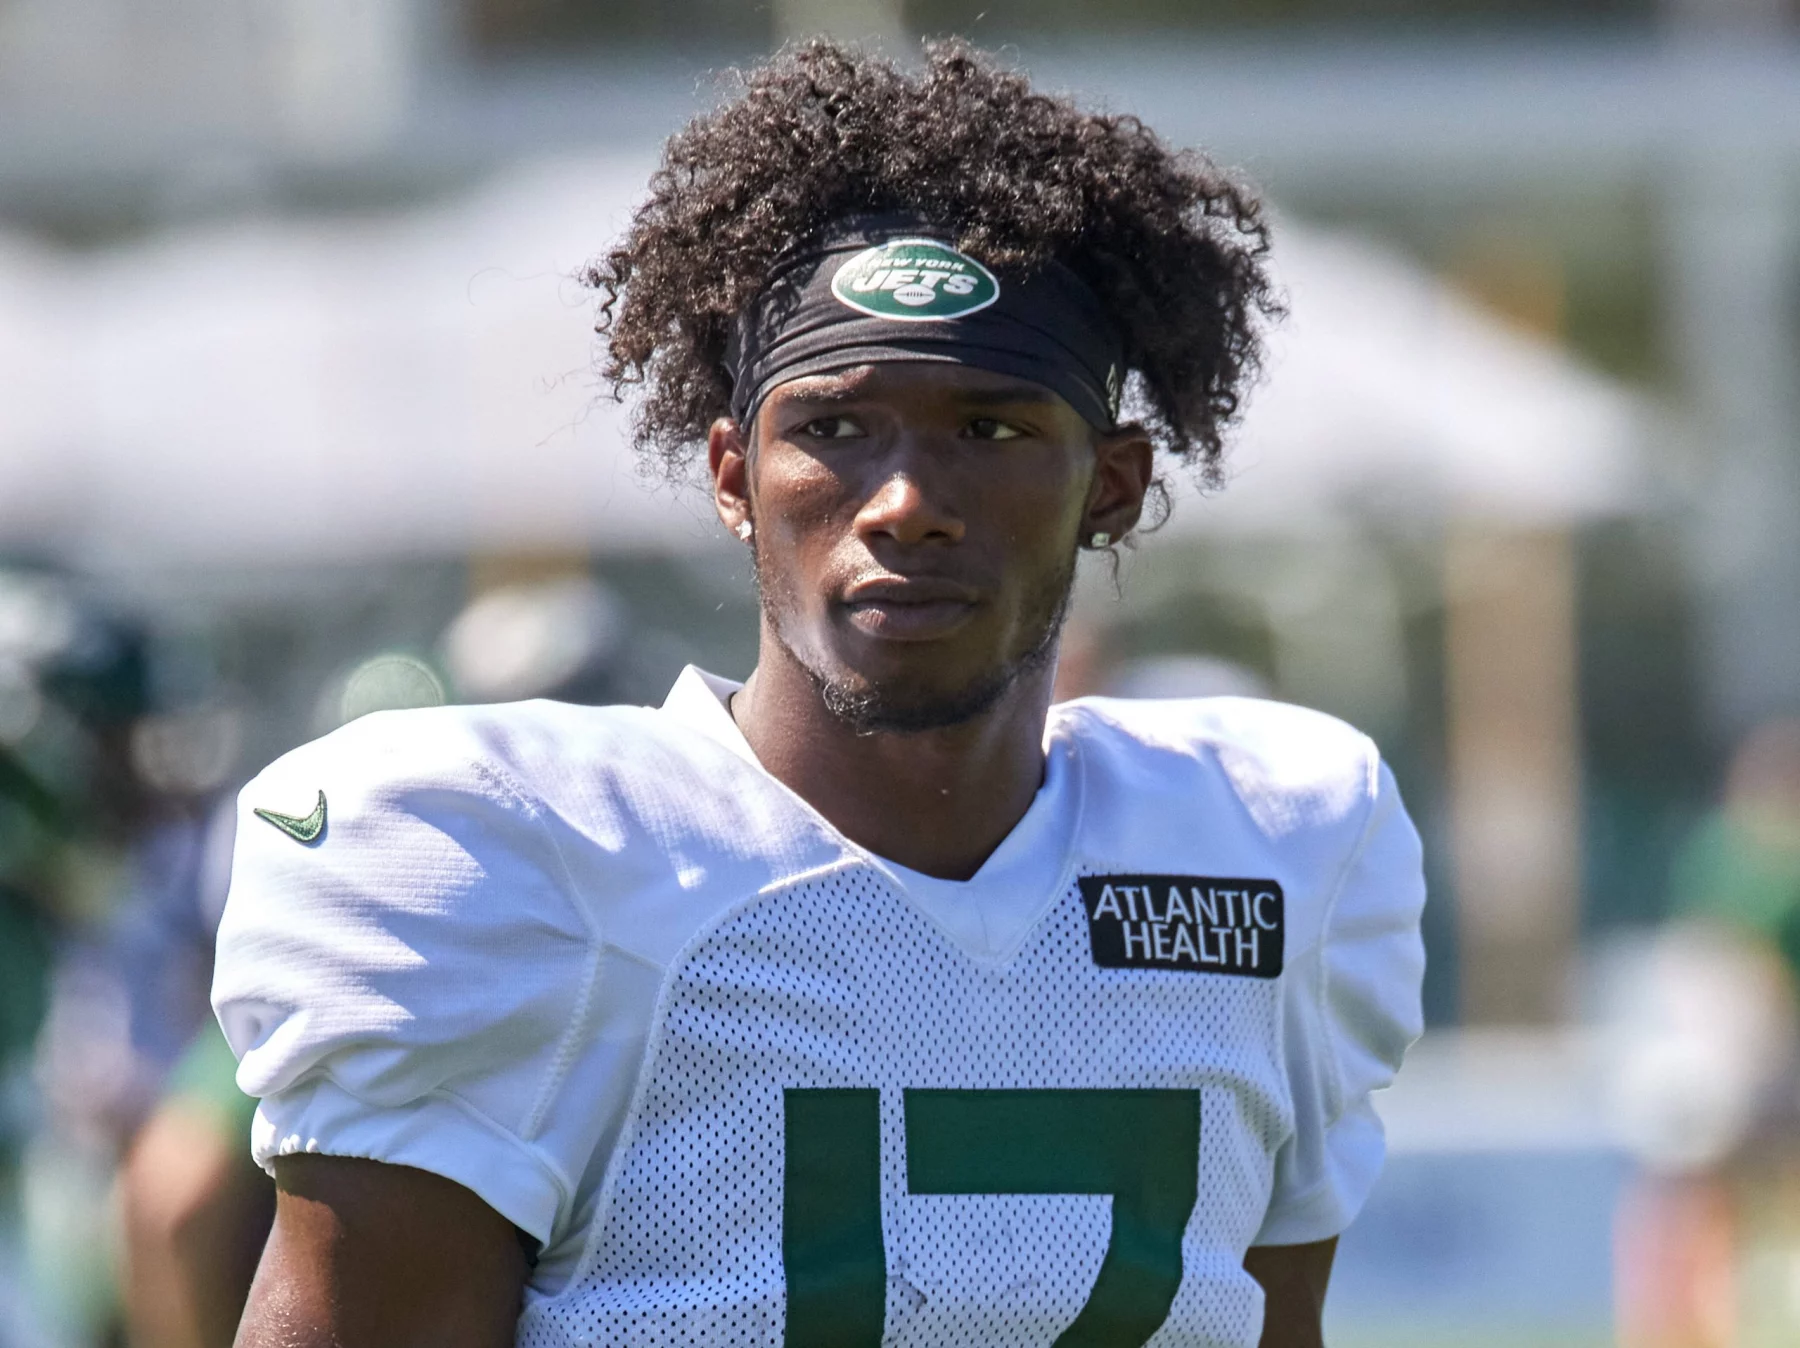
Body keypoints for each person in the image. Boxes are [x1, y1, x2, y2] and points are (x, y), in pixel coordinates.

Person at [213, 40, 1427, 1348]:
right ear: (735, 477)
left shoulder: (1273, 844)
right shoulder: (513, 860)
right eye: (835, 427)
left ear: (1114, 488)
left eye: (992, 429)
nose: (905, 503)